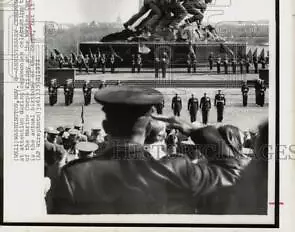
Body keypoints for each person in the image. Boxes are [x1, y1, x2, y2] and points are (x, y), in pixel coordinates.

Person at [48, 86, 247, 214]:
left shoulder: (73, 175)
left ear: (106, 128)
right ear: (150, 128)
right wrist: (194, 130)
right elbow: (233, 171)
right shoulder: (177, 169)